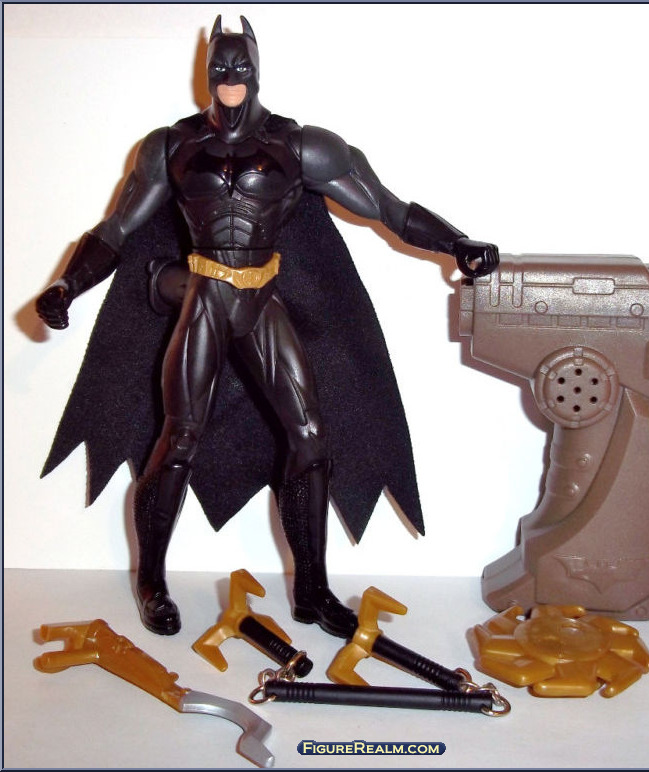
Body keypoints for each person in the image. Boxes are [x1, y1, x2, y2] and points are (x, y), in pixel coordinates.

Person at [36, 16, 498, 639]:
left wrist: (456, 242)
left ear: (257, 70)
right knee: (177, 439)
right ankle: (151, 582)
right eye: (220, 67)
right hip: (203, 297)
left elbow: (388, 208)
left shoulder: (300, 146)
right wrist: (68, 284)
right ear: (206, 72)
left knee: (311, 438)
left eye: (241, 67)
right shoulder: (171, 146)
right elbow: (118, 229)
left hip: (260, 301)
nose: (230, 78)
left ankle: (311, 590)